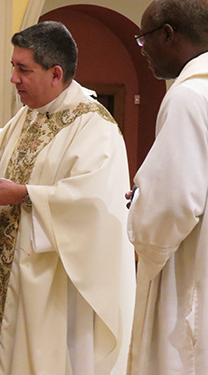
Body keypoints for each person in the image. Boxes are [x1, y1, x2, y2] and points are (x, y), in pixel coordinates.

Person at [0, 21, 136, 375]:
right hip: (9, 279)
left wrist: (25, 195)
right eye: (13, 66)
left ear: (55, 73)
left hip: (52, 291)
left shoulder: (95, 127)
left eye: (23, 69)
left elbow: (95, 204)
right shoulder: (28, 117)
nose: (13, 78)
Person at [127, 1, 208, 374]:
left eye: (144, 41)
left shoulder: (188, 97)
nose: (143, 52)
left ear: (168, 34)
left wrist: (141, 207)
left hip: (192, 276)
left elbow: (173, 204)